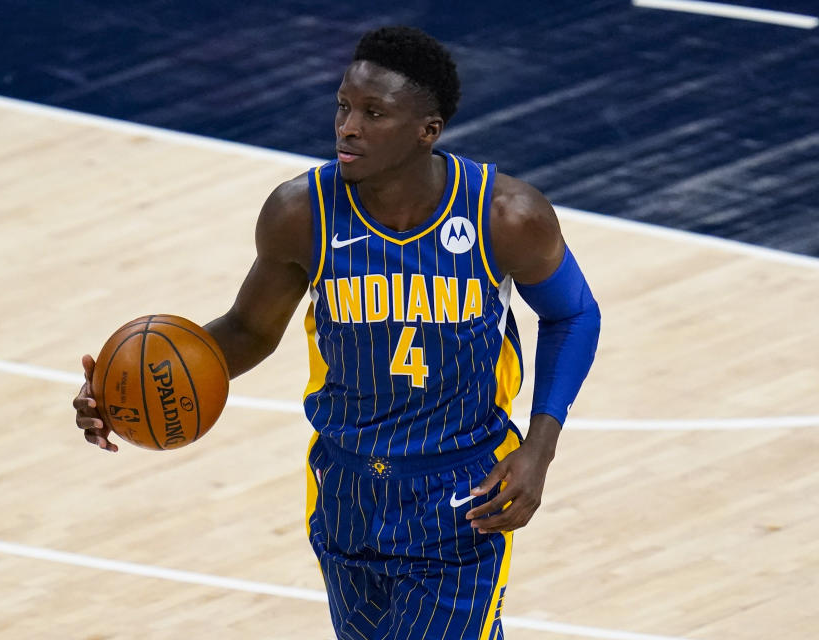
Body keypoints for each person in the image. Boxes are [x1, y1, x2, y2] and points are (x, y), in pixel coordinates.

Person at [74, 26, 600, 640]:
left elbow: (573, 314)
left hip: (462, 490)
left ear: (427, 130)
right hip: (344, 486)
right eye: (343, 106)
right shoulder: (300, 213)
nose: (347, 126)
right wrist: (126, 391)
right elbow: (248, 330)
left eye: (373, 113)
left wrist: (539, 449)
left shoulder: (504, 215)